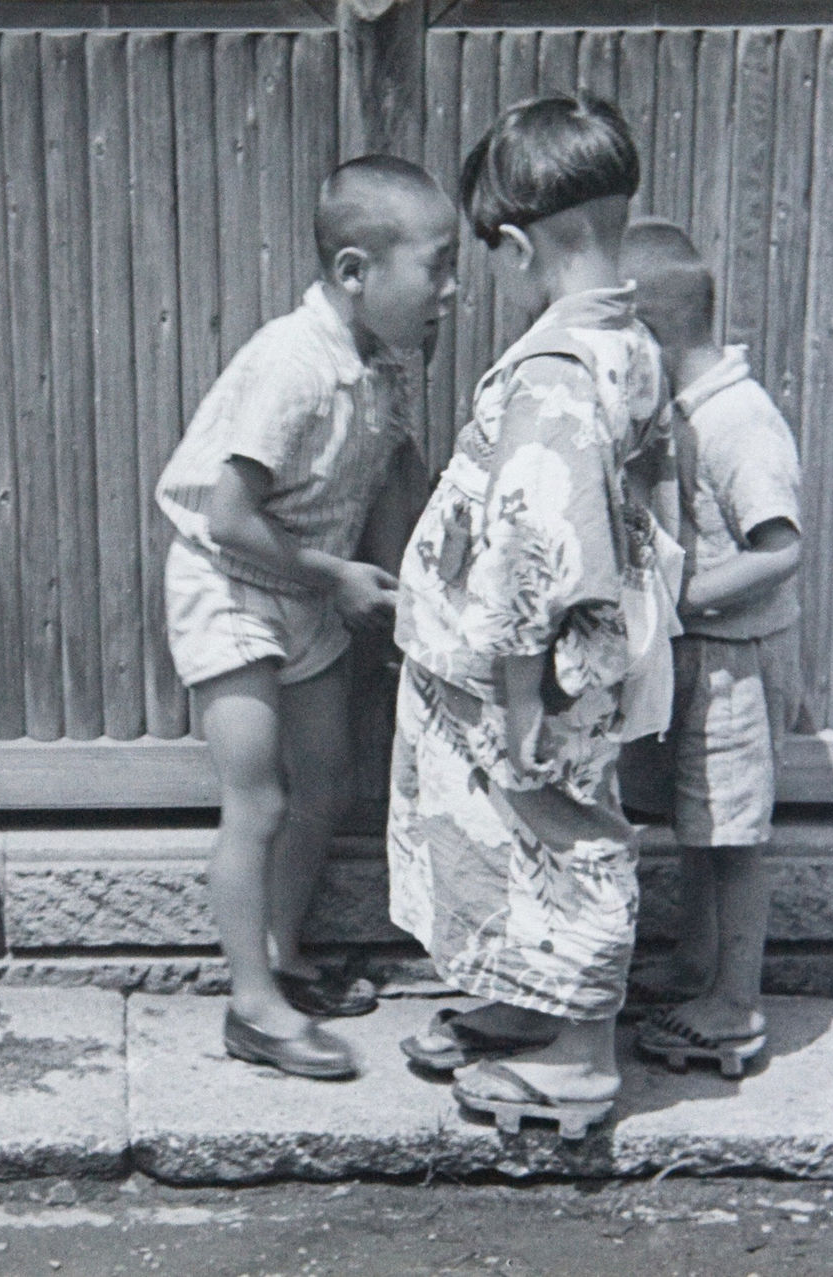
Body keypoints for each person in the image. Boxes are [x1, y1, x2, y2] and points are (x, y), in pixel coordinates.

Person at [386, 93, 675, 1137]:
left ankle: (581, 1052)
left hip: (531, 665)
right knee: (508, 834)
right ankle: (523, 996)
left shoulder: (554, 373)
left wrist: (517, 691)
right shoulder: (627, 341)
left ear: (511, 244)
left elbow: (534, 554)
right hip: (567, 655)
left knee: (563, 829)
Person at [156, 155, 459, 1079]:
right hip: (231, 584)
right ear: (356, 272)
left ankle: (282, 958)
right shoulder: (295, 361)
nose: (451, 290)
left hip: (308, 587)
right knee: (259, 797)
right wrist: (337, 578)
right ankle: (250, 1006)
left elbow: (396, 478)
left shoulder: (381, 363)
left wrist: (417, 592)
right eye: (437, 268)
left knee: (327, 781)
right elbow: (228, 515)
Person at [618, 219, 803, 1078]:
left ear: (645, 332)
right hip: (701, 655)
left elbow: (781, 549)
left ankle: (734, 1006)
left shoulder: (738, 422)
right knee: (702, 825)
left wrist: (682, 597)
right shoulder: (684, 414)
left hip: (736, 661)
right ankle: (696, 968)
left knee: (733, 839)